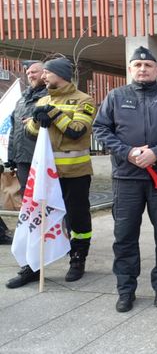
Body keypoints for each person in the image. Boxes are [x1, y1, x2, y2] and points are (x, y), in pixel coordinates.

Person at [93, 46, 157, 313]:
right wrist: (128, 152)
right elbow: (100, 129)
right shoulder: (115, 96)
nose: (142, 69)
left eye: (148, 65)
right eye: (137, 65)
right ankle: (126, 290)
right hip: (126, 178)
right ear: (130, 70)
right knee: (124, 236)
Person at [6, 57, 97, 289]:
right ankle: (33, 265)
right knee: (37, 219)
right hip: (46, 175)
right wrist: (37, 120)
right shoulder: (43, 99)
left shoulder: (84, 100)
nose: (43, 76)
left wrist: (54, 114)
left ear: (61, 74)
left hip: (75, 172)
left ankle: (78, 258)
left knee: (77, 218)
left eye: (47, 72)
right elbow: (30, 132)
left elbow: (77, 131)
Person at [0, 60, 46, 246]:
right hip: (22, 160)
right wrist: (11, 158)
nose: (31, 75)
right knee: (29, 200)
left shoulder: (49, 97)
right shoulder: (22, 99)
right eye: (28, 73)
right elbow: (14, 130)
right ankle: (35, 234)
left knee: (47, 199)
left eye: (35, 72)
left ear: (45, 73)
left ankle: (55, 235)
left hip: (42, 159)